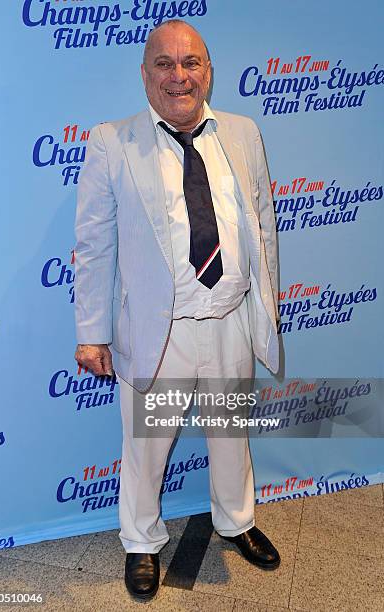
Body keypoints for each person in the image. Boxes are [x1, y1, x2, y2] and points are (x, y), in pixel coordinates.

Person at [74, 19, 281, 602]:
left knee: (230, 434)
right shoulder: (113, 142)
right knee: (146, 445)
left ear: (208, 71)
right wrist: (92, 331)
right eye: (164, 64)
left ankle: (236, 522)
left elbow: (261, 227)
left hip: (230, 320)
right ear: (145, 75)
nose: (179, 76)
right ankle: (141, 541)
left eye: (190, 63)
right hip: (160, 332)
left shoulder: (243, 133)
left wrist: (265, 303)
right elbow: (94, 246)